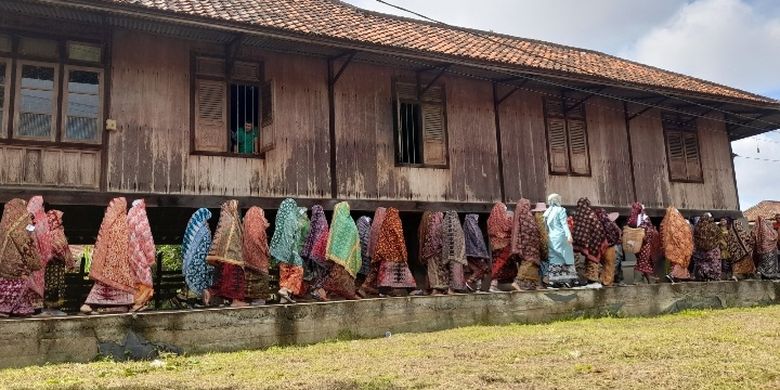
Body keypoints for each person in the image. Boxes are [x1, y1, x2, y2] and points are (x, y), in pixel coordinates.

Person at [81, 198, 135, 314]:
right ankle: (127, 305)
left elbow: (101, 241)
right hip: (121, 264)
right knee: (124, 284)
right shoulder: (125, 222)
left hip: (107, 262)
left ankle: (89, 304)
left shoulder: (108, 222)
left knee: (103, 284)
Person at [0, 199, 42, 317]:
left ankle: (22, 308)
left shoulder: (4, 224)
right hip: (17, 262)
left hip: (4, 262)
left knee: (16, 284)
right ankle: (4, 308)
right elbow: (27, 235)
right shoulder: (23, 222)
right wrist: (33, 224)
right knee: (17, 282)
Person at [207, 200, 247, 307]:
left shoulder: (226, 222)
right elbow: (236, 238)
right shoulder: (232, 222)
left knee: (225, 279)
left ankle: (211, 292)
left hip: (227, 258)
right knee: (235, 278)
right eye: (235, 207)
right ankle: (235, 300)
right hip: (233, 257)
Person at [322, 202, 362, 300]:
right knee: (341, 275)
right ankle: (327, 291)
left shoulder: (338, 222)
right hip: (346, 255)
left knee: (337, 274)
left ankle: (327, 292)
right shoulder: (349, 222)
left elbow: (334, 239)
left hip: (339, 255)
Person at [270, 198, 306, 303]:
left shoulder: (281, 217)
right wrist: (292, 252)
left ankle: (283, 300)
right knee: (298, 270)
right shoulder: (291, 218)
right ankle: (285, 290)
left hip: (280, 252)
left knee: (285, 273)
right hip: (290, 251)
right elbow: (290, 235)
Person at [43, 210, 76, 314]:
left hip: (51, 265)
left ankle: (50, 308)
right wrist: (69, 262)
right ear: (55, 219)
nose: (61, 221)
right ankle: (52, 309)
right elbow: (62, 247)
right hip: (54, 265)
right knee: (53, 285)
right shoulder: (56, 233)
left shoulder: (46, 232)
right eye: (59, 218)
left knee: (51, 285)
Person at [376, 207, 417, 292]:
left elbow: (381, 239)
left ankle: (383, 291)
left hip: (386, 254)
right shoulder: (396, 222)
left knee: (386, 274)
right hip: (397, 254)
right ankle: (411, 290)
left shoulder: (385, 223)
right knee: (404, 272)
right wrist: (403, 253)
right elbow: (399, 238)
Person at [182, 208, 215, 305]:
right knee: (203, 286)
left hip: (192, 267)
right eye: (206, 222)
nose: (207, 224)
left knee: (195, 292)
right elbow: (207, 248)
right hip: (201, 265)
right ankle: (202, 301)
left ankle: (194, 300)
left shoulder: (192, 230)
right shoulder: (204, 231)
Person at [127, 199, 156, 311]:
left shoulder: (129, 215)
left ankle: (133, 303)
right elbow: (145, 236)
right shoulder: (141, 214)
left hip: (129, 252)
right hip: (139, 252)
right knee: (144, 278)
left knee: (134, 278)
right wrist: (150, 256)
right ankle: (139, 303)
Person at [543, 194, 577, 287]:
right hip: (561, 237)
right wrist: (569, 235)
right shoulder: (561, 210)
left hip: (551, 237)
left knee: (554, 258)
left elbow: (546, 228)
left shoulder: (547, 212)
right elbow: (564, 225)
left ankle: (555, 280)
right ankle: (568, 280)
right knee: (567, 257)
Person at [572, 198, 606, 288]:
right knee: (592, 258)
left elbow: (575, 228)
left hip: (577, 242)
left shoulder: (576, 214)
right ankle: (592, 279)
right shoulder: (591, 214)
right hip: (592, 240)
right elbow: (597, 227)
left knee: (577, 261)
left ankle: (577, 280)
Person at [242, 206, 271, 305]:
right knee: (262, 276)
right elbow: (259, 240)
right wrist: (266, 251)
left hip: (247, 256)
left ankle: (248, 297)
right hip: (259, 257)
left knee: (249, 276)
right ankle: (259, 299)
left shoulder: (247, 224)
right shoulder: (257, 226)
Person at [302, 205, 329, 301]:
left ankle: (317, 292)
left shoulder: (315, 222)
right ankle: (318, 293)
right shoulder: (322, 222)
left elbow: (312, 238)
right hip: (319, 254)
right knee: (320, 274)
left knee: (317, 274)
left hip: (315, 254)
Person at [660, 207, 694, 283]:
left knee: (675, 262)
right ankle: (673, 275)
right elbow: (683, 236)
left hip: (671, 247)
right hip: (679, 247)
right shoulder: (680, 223)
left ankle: (675, 276)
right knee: (679, 262)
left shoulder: (665, 223)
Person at [488, 202, 517, 291]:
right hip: (504, 245)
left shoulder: (490, 220)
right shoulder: (503, 220)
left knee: (502, 263)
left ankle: (510, 283)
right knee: (501, 263)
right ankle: (493, 284)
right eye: (504, 209)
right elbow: (508, 228)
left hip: (494, 246)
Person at [629, 202, 660, 284]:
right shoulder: (639, 218)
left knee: (643, 261)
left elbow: (648, 230)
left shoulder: (638, 218)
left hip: (640, 244)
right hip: (641, 244)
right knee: (643, 261)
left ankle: (645, 279)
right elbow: (647, 231)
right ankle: (643, 280)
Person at [358, 208, 386, 296]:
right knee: (374, 270)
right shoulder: (377, 226)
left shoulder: (372, 227)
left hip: (370, 253)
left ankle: (367, 287)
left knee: (372, 270)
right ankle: (364, 286)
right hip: (374, 253)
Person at [463, 214, 491, 292]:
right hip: (477, 254)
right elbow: (479, 242)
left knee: (476, 269)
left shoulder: (465, 229)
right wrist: (483, 254)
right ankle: (469, 281)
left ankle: (478, 288)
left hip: (468, 254)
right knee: (483, 268)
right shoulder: (475, 229)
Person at [421, 211, 447, 294]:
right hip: (434, 251)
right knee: (434, 270)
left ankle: (437, 288)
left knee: (435, 270)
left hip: (435, 251)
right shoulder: (435, 223)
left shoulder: (434, 224)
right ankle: (435, 288)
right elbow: (434, 238)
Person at [442, 210, 467, 293]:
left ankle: (450, 288)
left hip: (447, 253)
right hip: (456, 253)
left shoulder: (444, 224)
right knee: (455, 271)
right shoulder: (456, 224)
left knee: (449, 271)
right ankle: (452, 289)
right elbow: (460, 239)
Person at [691, 213, 721, 281]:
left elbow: (695, 237)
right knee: (713, 262)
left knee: (701, 263)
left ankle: (703, 275)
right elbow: (718, 236)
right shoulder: (714, 226)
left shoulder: (698, 226)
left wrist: (699, 245)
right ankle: (712, 276)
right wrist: (714, 244)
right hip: (712, 249)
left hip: (700, 250)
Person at [597, 209, 621, 286]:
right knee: (610, 265)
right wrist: (615, 241)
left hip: (601, 247)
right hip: (610, 247)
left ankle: (603, 279)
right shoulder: (611, 225)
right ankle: (608, 282)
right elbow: (618, 233)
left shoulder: (598, 224)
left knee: (603, 264)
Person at [531, 203, 549, 286]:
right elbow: (544, 234)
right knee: (546, 259)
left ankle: (540, 282)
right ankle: (545, 277)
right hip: (543, 242)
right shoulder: (543, 219)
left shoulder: (533, 219)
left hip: (534, 244)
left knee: (540, 262)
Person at [355, 216, 372, 288]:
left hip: (365, 252)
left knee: (365, 268)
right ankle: (359, 285)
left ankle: (362, 286)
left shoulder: (369, 228)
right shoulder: (360, 225)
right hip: (360, 251)